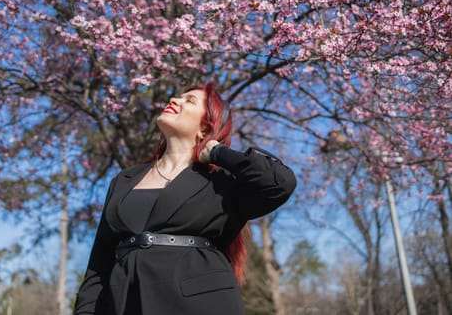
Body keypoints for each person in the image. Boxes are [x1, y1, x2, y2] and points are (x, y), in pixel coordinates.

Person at [74, 82, 296, 315]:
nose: (173, 100)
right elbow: (99, 263)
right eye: (177, 96)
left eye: (189, 100)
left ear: (205, 127)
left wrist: (218, 152)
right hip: (122, 302)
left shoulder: (223, 182)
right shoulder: (124, 180)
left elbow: (280, 182)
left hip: (198, 302)